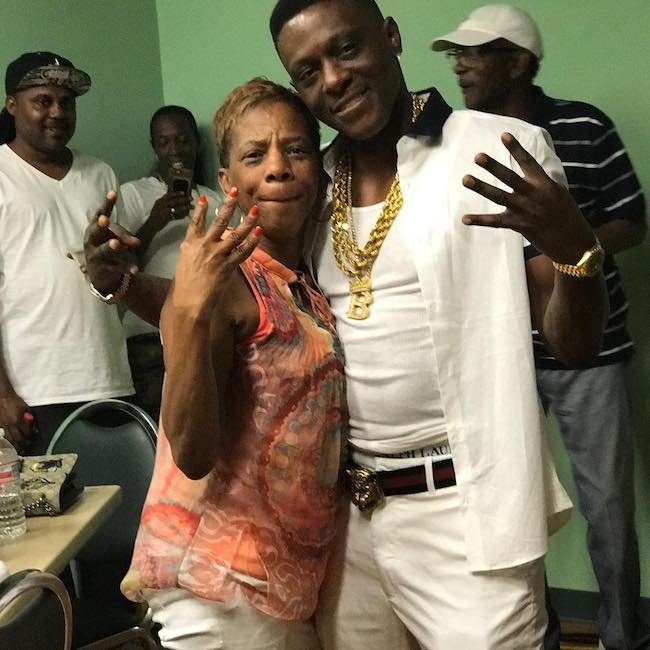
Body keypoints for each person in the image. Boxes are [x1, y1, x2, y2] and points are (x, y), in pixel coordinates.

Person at [84, 1, 608, 647]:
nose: (331, 79)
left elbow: (576, 344)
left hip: (465, 512)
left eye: (347, 50)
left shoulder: (497, 147)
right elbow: (243, 300)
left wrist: (577, 252)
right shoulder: (313, 177)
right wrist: (126, 284)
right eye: (307, 71)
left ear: (390, 38)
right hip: (344, 524)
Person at [432, 6, 648, 649]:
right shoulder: (453, 142)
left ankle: (623, 635)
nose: (461, 65)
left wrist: (568, 247)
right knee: (510, 504)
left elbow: (632, 219)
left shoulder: (584, 125)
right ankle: (536, 632)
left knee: (607, 504)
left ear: (521, 62)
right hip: (501, 358)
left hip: (591, 353)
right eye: (456, 55)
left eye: (477, 52)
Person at [119, 78, 345, 649]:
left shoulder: (299, 282)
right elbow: (192, 452)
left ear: (318, 169)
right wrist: (190, 309)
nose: (278, 168)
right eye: (255, 155)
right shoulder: (222, 281)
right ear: (229, 183)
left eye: (296, 150)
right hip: (219, 587)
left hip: (277, 584)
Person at [0, 51, 133, 454]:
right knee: (52, 517)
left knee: (123, 511)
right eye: (43, 100)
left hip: (111, 380)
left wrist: (119, 267)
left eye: (67, 102)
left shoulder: (101, 174)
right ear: (12, 105)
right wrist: (3, 394)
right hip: (34, 392)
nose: (57, 112)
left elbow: (121, 282)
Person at [120, 105, 222, 422]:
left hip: (204, 333)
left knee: (206, 430)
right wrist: (155, 220)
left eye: (183, 140)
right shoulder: (133, 194)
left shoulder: (216, 200)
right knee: (155, 433)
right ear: (154, 147)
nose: (175, 150)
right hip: (148, 335)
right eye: (164, 142)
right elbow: (119, 267)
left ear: (197, 144)